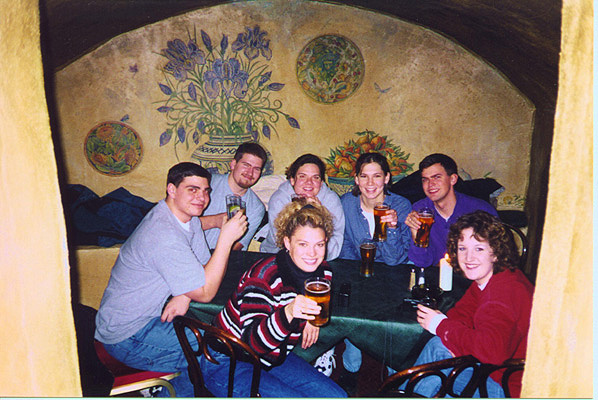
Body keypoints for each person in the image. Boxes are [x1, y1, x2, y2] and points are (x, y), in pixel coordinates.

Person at [94, 162, 248, 397]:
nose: (202, 198)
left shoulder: (187, 219)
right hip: (127, 335)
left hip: (146, 319)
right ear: (172, 190)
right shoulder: (163, 234)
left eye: (206, 191)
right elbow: (206, 292)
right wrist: (225, 240)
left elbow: (202, 271)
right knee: (217, 349)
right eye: (192, 189)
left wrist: (185, 293)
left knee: (213, 338)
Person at [205, 199, 347, 397]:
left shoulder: (323, 272)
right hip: (229, 360)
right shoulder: (264, 277)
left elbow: (320, 295)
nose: (313, 253)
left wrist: (313, 320)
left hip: (273, 357)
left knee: (338, 397)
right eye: (303, 244)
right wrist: (288, 312)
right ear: (287, 243)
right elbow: (252, 343)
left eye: (320, 244)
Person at [410, 210, 534, 397]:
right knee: (436, 350)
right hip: (494, 370)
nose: (469, 258)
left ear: (495, 253)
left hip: (507, 386)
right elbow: (463, 312)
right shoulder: (494, 276)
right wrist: (452, 337)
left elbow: (493, 352)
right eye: (462, 248)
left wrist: (442, 327)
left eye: (479, 249)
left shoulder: (502, 293)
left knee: (437, 349)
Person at [335, 152, 412, 392]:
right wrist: (358, 275)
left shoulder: (401, 205)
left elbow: (396, 260)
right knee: (351, 302)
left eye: (377, 176)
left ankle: (394, 371)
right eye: (364, 176)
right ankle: (351, 364)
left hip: (393, 272)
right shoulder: (346, 203)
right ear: (356, 179)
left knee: (394, 318)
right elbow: (346, 246)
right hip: (359, 271)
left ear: (386, 178)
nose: (370, 183)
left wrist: (391, 228)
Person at [404, 153, 498, 267]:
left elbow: (495, 256)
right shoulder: (420, 210)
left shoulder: (480, 210)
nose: (430, 184)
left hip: (472, 273)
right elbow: (422, 262)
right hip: (435, 275)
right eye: (425, 180)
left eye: (437, 177)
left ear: (453, 179)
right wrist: (417, 235)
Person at [260, 153, 345, 261]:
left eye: (315, 177)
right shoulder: (279, 199)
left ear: (321, 182)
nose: (309, 182)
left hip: (319, 258)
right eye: (302, 176)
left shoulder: (331, 200)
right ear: (292, 180)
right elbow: (279, 241)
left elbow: (336, 242)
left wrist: (320, 213)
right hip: (276, 256)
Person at [201, 142, 268, 251]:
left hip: (221, 258)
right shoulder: (207, 184)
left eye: (256, 169)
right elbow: (179, 223)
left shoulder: (257, 208)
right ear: (233, 164)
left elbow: (237, 246)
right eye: (246, 165)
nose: (250, 173)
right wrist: (214, 221)